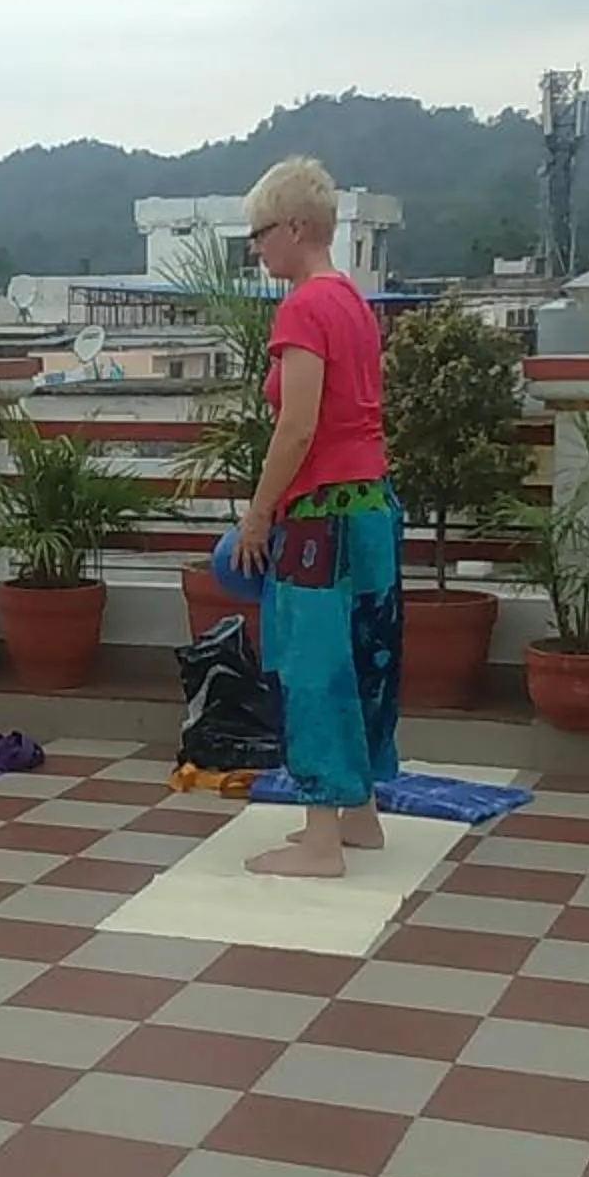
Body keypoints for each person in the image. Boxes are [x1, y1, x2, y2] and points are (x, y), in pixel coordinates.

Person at [226, 158, 403, 878]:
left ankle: (322, 838)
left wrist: (257, 515)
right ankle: (360, 816)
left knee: (312, 666)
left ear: (295, 228)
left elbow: (297, 426)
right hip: (371, 505)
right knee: (366, 657)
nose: (257, 249)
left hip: (320, 517)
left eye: (260, 233)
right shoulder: (353, 301)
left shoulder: (303, 307)